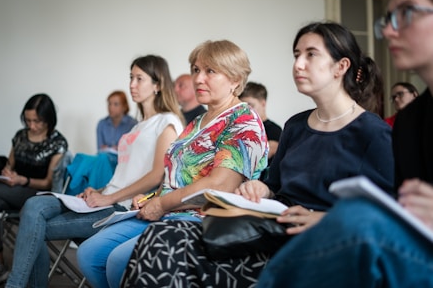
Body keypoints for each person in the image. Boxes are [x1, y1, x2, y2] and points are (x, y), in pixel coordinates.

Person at [121, 22, 395, 288]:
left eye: (311, 54)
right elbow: (275, 187)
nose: (298, 64)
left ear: (341, 66)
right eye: (296, 55)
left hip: (321, 245)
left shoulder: (372, 133)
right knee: (163, 239)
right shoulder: (297, 126)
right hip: (273, 232)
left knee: (166, 243)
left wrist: (322, 217)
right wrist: (259, 188)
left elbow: (387, 215)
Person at [255, 0, 433, 287]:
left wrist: (328, 220)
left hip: (365, 237)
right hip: (295, 226)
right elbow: (404, 209)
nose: (390, 31)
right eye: (388, 18)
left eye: (406, 13)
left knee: (357, 221)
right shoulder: (410, 122)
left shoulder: (375, 131)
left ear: (342, 67)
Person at [76, 39, 269, 288]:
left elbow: (219, 185)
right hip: (167, 210)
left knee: (117, 262)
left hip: (201, 218)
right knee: (89, 255)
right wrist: (149, 198)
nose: (198, 78)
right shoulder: (198, 121)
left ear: (235, 79)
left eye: (210, 71)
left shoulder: (243, 121)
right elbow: (176, 176)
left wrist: (161, 203)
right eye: (196, 70)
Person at [4, 55, 184, 288]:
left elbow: (157, 175)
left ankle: (14, 285)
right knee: (33, 205)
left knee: (33, 227)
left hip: (122, 207)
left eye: (140, 79)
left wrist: (109, 197)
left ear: (158, 84)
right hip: (108, 198)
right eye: (131, 77)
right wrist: (97, 190)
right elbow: (124, 174)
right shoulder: (138, 125)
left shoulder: (167, 122)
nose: (132, 84)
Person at [0, 93, 68, 288]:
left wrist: (23, 180)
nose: (31, 125)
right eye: (28, 120)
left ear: (48, 119)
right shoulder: (20, 136)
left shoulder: (58, 143)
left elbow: (48, 183)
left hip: (36, 196)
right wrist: (7, 173)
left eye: (37, 121)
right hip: (13, 190)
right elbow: (10, 164)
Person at [239, 81, 282, 164]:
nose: (245, 110)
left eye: (250, 105)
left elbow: (261, 155)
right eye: (242, 106)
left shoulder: (274, 130)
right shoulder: (240, 128)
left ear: (263, 104)